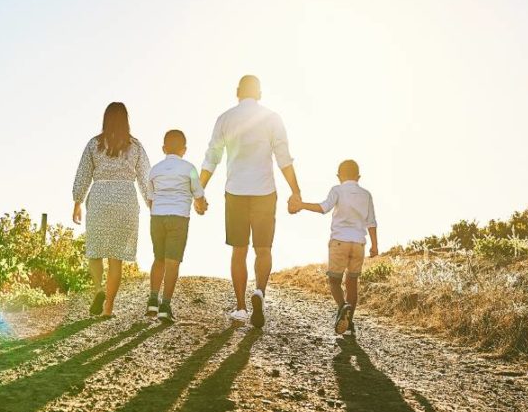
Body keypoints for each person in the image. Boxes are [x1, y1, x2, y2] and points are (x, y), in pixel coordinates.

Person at [200, 75, 301, 328]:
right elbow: (283, 158)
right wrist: (295, 191)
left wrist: (199, 190)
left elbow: (211, 157)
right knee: (263, 249)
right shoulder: (272, 118)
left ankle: (241, 308)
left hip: (236, 192)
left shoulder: (224, 119)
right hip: (265, 192)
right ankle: (260, 292)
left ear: (237, 92)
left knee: (239, 251)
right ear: (260, 93)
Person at [72, 102, 153, 318]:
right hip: (125, 199)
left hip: (100, 197)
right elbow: (146, 177)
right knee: (116, 258)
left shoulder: (94, 144)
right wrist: (151, 202)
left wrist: (77, 202)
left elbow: (83, 174)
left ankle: (98, 289)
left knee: (95, 250)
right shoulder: (135, 146)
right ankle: (108, 309)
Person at [289, 159, 378, 337]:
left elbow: (324, 208)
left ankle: (342, 306)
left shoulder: (337, 190)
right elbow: (371, 222)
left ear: (339, 176)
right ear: (358, 176)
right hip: (359, 243)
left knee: (334, 282)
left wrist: (301, 205)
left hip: (339, 242)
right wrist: (375, 246)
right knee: (352, 284)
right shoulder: (366, 195)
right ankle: (349, 323)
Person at [147, 129, 208, 322]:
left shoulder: (154, 170)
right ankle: (165, 306)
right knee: (173, 262)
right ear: (184, 149)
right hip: (179, 217)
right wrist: (201, 207)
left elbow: (150, 199)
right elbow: (199, 196)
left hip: (157, 217)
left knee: (159, 259)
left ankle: (152, 301)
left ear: (164, 148)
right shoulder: (189, 168)